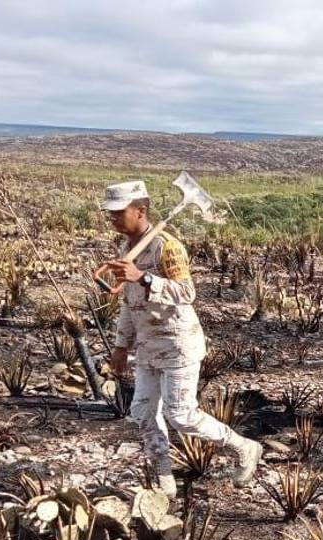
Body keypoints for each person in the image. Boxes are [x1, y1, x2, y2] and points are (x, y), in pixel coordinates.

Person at [98, 180, 261, 498]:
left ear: (140, 210)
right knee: (142, 412)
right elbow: (129, 304)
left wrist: (144, 278)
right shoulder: (126, 251)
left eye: (119, 212)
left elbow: (187, 293)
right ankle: (164, 481)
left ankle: (244, 447)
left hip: (177, 345)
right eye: (111, 213)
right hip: (147, 347)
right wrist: (120, 346)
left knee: (181, 413)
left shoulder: (167, 247)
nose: (113, 218)